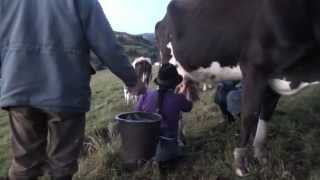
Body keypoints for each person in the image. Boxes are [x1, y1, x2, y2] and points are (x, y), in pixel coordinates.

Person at [0, 1, 145, 180]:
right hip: (65, 89)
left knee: (24, 166)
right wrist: (132, 81)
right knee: (62, 166)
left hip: (18, 87)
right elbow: (106, 44)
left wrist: (8, 73)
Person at [135, 63, 193, 165]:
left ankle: (150, 158)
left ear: (158, 81)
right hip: (168, 150)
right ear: (175, 83)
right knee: (179, 118)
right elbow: (189, 107)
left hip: (144, 148)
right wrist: (186, 90)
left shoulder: (145, 94)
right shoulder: (177, 98)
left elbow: (136, 114)